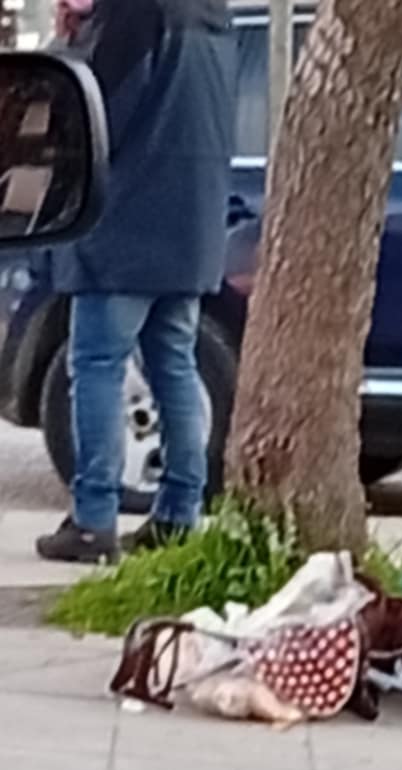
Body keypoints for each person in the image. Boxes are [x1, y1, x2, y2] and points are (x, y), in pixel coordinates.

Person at [37, 0, 235, 565]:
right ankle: (179, 512)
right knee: (175, 365)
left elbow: (84, 109)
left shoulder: (129, 14)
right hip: (191, 222)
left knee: (97, 366)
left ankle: (93, 520)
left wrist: (70, 39)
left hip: (122, 225)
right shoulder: (214, 14)